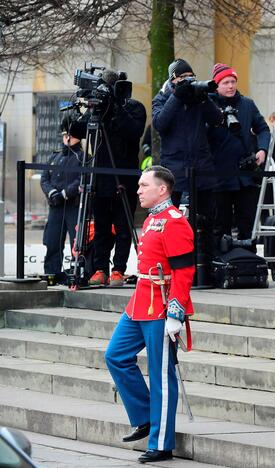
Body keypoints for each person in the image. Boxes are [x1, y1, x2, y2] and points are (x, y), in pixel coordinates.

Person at [104, 166, 195, 464]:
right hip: (140, 300)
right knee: (115, 355)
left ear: (162, 189)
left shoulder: (174, 221)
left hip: (162, 304)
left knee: (161, 376)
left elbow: (184, 271)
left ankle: (161, 442)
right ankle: (144, 416)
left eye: (144, 185)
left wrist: (176, 312)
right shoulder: (155, 217)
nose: (139, 190)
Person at [152, 58, 223, 261]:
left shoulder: (198, 98)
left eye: (191, 76)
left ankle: (207, 263)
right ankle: (171, 261)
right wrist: (177, 97)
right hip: (174, 168)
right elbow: (160, 124)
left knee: (207, 217)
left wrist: (202, 98)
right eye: (183, 77)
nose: (188, 80)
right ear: (173, 80)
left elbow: (217, 119)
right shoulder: (163, 98)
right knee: (171, 217)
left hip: (201, 165)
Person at [88, 70, 147, 287]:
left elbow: (134, 131)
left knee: (124, 227)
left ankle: (118, 271)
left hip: (125, 176)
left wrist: (115, 106)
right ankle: (100, 269)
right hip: (101, 177)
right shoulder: (99, 109)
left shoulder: (134, 107)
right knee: (102, 228)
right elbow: (79, 129)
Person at [207, 63, 271, 243]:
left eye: (233, 81)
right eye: (225, 82)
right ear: (217, 85)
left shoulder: (247, 104)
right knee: (221, 226)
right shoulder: (208, 105)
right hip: (219, 177)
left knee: (248, 224)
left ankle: (248, 265)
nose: (230, 86)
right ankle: (223, 266)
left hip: (245, 177)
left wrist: (262, 150)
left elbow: (263, 129)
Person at [41, 114, 84, 282]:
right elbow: (44, 178)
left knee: (76, 243)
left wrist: (65, 193)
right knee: (52, 241)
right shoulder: (55, 156)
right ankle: (51, 274)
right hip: (55, 206)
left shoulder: (82, 157)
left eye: (70, 136)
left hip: (72, 205)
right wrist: (52, 193)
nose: (66, 138)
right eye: (65, 135)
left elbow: (81, 179)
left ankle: (76, 275)